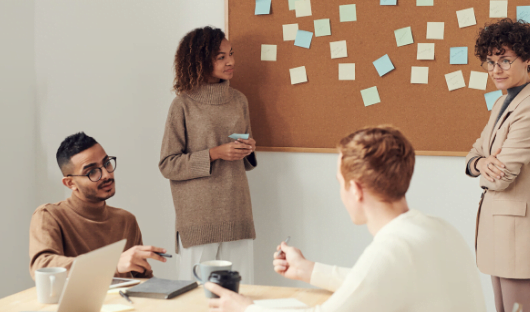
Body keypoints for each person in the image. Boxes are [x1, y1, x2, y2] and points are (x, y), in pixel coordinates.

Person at [206, 126, 486, 312]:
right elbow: (370, 282)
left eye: (340, 182)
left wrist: (246, 307)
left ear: (355, 189)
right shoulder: (436, 228)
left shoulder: (393, 250)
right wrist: (308, 270)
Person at [464, 18, 530, 312]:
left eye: (505, 60)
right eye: (490, 62)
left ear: (528, 59)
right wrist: (481, 162)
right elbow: (474, 153)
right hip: (502, 233)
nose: (496, 70)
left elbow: (501, 177)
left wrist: (485, 168)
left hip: (521, 237)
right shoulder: (503, 103)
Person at [159, 26, 258, 284]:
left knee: (241, 294)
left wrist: (247, 150)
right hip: (199, 220)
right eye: (221, 56)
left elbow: (244, 163)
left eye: (231, 54)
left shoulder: (239, 100)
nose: (231, 61)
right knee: (196, 299)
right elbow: (168, 165)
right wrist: (215, 153)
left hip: (237, 213)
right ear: (200, 60)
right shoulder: (183, 104)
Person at [29, 132, 166, 278]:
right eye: (92, 172)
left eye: (107, 163)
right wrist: (111, 264)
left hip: (124, 301)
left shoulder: (126, 220)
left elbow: (143, 282)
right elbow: (42, 266)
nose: (106, 175)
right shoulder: (49, 215)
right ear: (70, 183)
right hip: (78, 302)